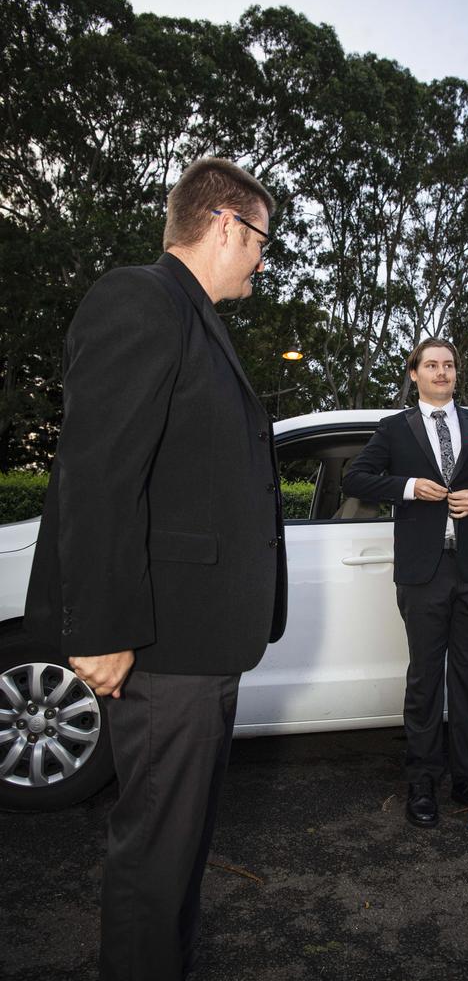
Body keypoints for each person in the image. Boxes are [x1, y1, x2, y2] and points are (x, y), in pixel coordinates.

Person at [24, 157, 287, 980]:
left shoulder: (197, 321)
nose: (262, 260)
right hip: (160, 646)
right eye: (261, 241)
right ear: (224, 224)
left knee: (178, 852)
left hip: (198, 641)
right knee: (155, 856)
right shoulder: (142, 298)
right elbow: (99, 472)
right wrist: (100, 629)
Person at [342, 339, 468, 829]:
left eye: (449, 365)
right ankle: (422, 781)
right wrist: (407, 487)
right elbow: (356, 478)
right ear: (414, 374)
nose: (442, 372)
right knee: (425, 680)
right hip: (421, 573)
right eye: (432, 365)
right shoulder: (392, 429)